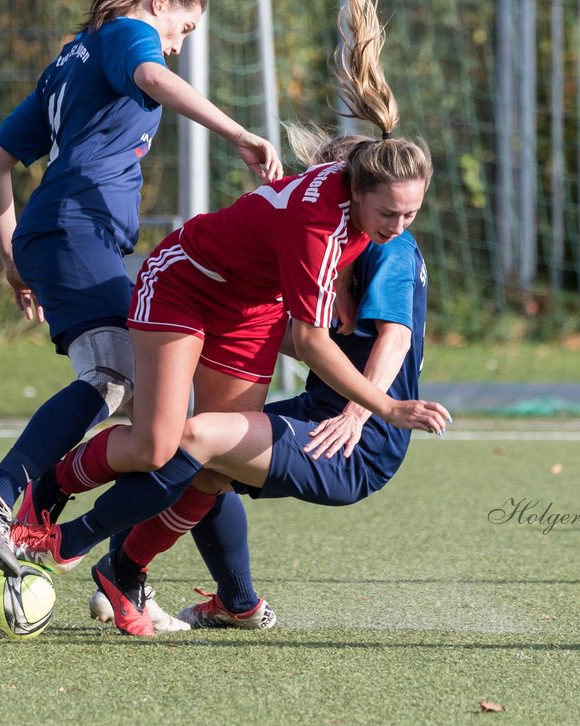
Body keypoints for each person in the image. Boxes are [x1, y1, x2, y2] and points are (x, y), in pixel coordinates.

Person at [0, 0, 452, 633]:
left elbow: (386, 336)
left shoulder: (383, 240)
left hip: (330, 409)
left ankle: (114, 562)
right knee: (176, 445)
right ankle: (65, 522)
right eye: (391, 212)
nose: (401, 225)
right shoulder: (325, 222)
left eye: (411, 212)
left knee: (197, 451)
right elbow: (311, 336)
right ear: (356, 186)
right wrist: (378, 404)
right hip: (191, 287)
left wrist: (364, 408)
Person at [0, 0, 281, 572]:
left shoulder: (69, 59)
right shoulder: (129, 32)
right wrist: (237, 133)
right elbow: (153, 73)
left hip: (65, 238)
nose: (178, 45)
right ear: (157, 2)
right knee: (114, 376)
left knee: (169, 428)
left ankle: (129, 574)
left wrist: (13, 260)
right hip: (77, 232)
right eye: (181, 28)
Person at [86, 228, 431, 634]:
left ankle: (105, 559)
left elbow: (396, 339)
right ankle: (234, 602)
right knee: (181, 454)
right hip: (317, 411)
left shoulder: (389, 242)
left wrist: (357, 414)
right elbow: (308, 337)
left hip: (360, 442)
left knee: (189, 442)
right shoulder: (331, 230)